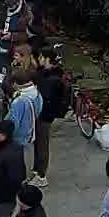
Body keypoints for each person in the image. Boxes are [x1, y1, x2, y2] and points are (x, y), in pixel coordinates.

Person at [32, 45, 70, 188]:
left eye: (41, 57)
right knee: (38, 142)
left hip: (45, 115)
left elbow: (45, 96)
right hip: (40, 113)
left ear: (48, 59)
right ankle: (36, 170)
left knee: (42, 144)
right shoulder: (44, 73)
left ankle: (42, 175)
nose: (39, 59)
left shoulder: (52, 79)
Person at [0, 120, 27, 209]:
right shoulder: (0, 145)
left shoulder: (10, 154)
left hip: (3, 194)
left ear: (5, 135)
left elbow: (15, 178)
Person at [6, 70, 41, 175]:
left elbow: (13, 123)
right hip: (30, 134)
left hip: (19, 138)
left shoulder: (20, 101)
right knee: (28, 161)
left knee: (19, 167)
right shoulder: (36, 93)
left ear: (15, 84)